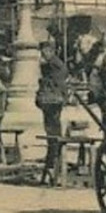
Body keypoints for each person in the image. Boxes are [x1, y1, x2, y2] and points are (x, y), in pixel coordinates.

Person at [36, 38, 70, 183]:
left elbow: (51, 82)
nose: (42, 54)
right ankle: (53, 165)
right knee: (53, 133)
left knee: (52, 134)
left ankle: (52, 166)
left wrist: (41, 90)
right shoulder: (57, 64)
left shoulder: (52, 65)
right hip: (55, 100)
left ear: (50, 51)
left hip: (51, 100)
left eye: (44, 51)